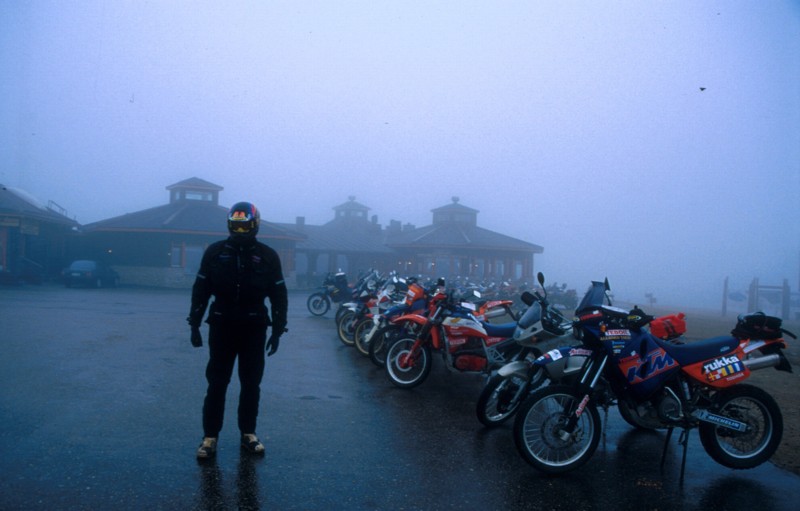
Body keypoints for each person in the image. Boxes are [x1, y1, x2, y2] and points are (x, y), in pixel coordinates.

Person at [187, 201, 288, 460]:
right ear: (230, 225)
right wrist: (194, 324)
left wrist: (278, 330)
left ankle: (248, 434)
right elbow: (201, 290)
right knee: (217, 384)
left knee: (251, 384)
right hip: (221, 326)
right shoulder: (215, 252)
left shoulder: (268, 255)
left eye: (245, 226)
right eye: (236, 226)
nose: (240, 231)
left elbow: (279, 295)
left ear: (255, 225)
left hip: (254, 328)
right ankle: (209, 437)